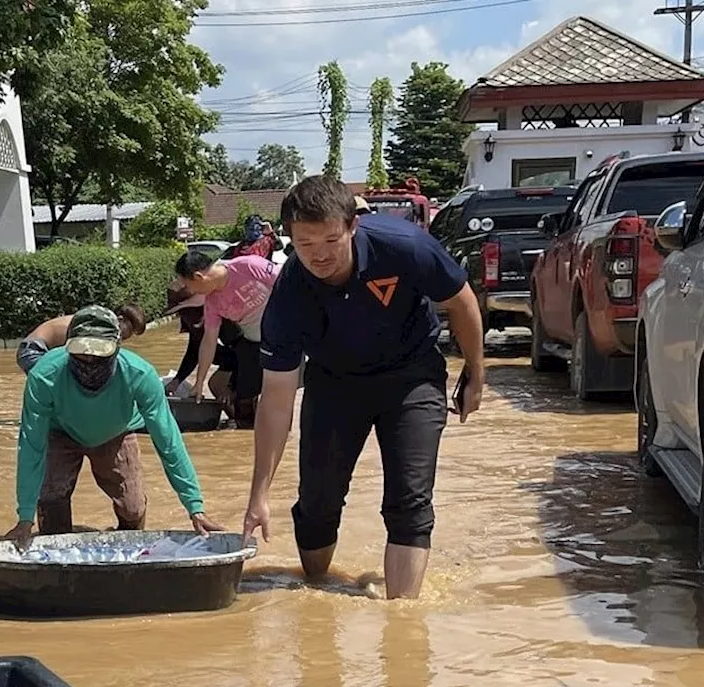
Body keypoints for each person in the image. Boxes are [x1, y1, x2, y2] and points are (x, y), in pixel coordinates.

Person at [240, 174, 485, 600]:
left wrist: (476, 373)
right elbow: (276, 399)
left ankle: (402, 622)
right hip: (335, 384)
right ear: (288, 241)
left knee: (409, 499)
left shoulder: (403, 246)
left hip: (412, 377)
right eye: (305, 245)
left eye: (331, 241)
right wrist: (258, 494)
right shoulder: (289, 296)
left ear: (353, 225)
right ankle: (317, 590)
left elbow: (461, 298)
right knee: (317, 503)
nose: (319, 256)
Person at [5, 305, 222, 544]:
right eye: (81, 353)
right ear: (68, 347)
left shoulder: (140, 375)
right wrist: (24, 518)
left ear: (117, 348)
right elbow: (31, 447)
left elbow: (168, 442)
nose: (89, 360)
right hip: (60, 432)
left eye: (99, 354)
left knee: (133, 509)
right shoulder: (44, 376)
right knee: (50, 500)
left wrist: (195, 507)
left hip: (116, 433)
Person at [173, 250, 280, 428]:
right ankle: (248, 440)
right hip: (254, 344)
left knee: (280, 395)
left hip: (284, 335)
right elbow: (208, 342)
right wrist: (198, 384)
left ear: (199, 277)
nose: (191, 291)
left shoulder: (249, 265)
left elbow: (287, 283)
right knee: (244, 403)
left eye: (189, 286)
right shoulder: (212, 303)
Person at [162, 286, 245, 406]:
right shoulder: (191, 319)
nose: (188, 315)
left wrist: (230, 386)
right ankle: (235, 417)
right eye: (183, 312)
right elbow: (194, 350)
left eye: (193, 309)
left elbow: (244, 351)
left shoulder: (226, 315)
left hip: (254, 355)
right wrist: (177, 380)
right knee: (217, 386)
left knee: (218, 384)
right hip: (232, 358)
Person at [16, 304, 146, 374]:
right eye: (125, 334)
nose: (123, 339)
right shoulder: (92, 325)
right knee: (58, 381)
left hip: (41, 349)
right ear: (120, 319)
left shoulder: (98, 321)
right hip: (32, 350)